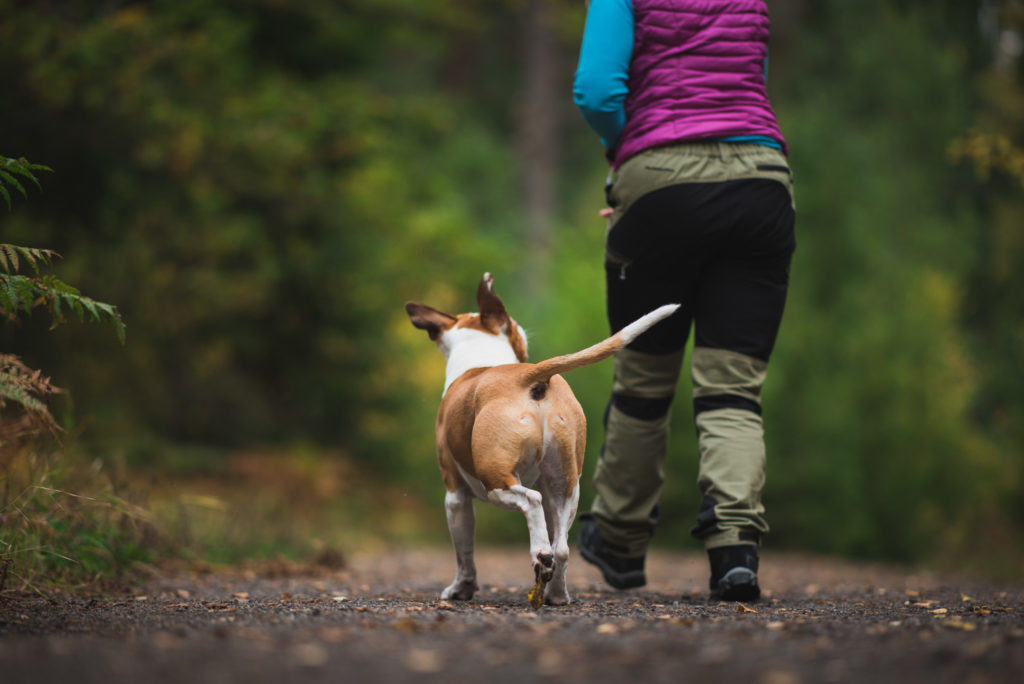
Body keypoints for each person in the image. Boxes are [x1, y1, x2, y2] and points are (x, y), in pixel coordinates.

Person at [572, 0, 795, 601]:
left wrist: (632, 155)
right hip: (761, 179)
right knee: (733, 385)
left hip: (660, 176)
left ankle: (618, 539)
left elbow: (595, 91)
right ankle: (735, 550)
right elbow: (749, 84)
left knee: (644, 377)